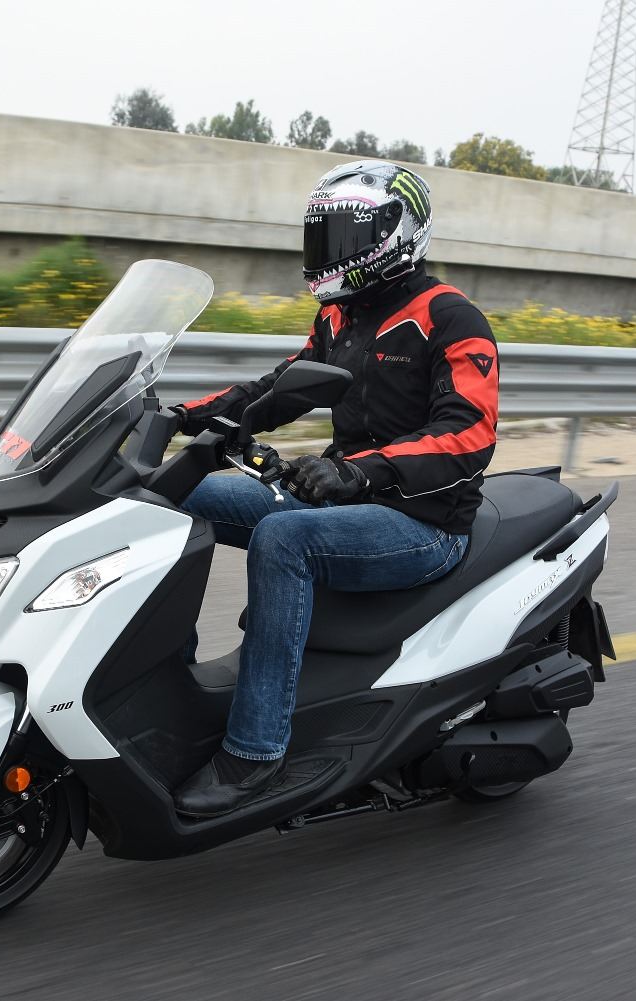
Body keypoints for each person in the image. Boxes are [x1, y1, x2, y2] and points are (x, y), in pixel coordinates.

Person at [167, 160, 500, 818]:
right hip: (345, 497)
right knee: (174, 497)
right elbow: (275, 390)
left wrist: (359, 470)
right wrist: (181, 416)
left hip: (423, 521)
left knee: (283, 539)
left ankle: (255, 752)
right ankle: (166, 686)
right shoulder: (339, 319)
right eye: (322, 235)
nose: (328, 250)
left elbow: (470, 433)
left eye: (342, 236)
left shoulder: (449, 317)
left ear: (394, 235)